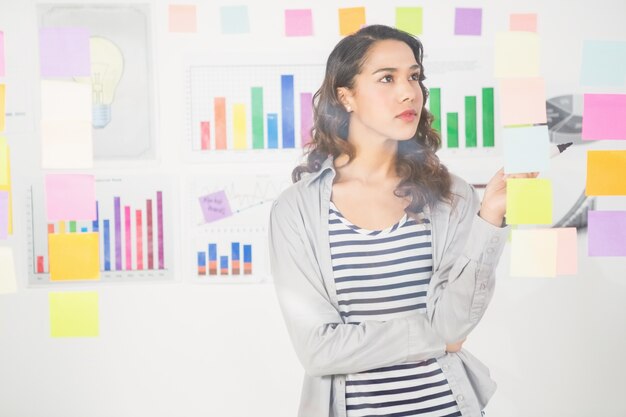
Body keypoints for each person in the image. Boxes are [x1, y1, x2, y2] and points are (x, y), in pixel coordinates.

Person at [269, 24, 536, 417]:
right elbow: (318, 350)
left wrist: (490, 218)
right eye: (387, 78)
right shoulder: (296, 211)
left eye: (414, 76)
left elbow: (456, 324)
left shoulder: (452, 196)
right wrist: (431, 335)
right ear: (346, 96)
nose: (408, 91)